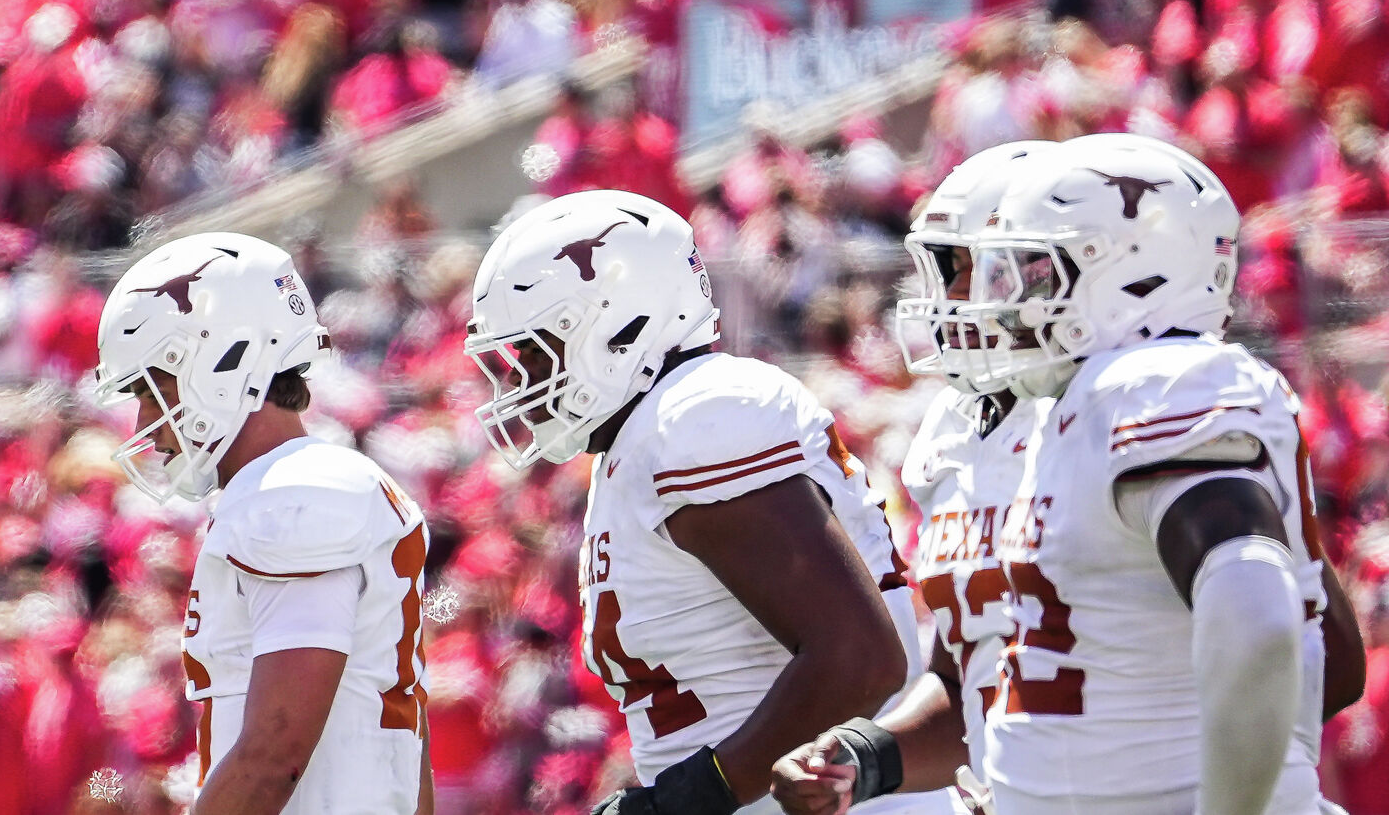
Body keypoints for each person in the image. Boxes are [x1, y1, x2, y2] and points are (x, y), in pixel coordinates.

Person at [774, 134, 1365, 815]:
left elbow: (1300, 643)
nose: (977, 296)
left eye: (1008, 267)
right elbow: (985, 678)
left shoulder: (1156, 389)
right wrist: (870, 758)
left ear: (1126, 273)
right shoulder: (964, 432)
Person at [463, 189, 914, 815]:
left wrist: (684, 801)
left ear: (617, 325)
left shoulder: (696, 418)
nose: (520, 385)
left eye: (536, 354)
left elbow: (859, 660)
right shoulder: (640, 440)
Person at [95, 232, 434, 815]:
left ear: (222, 365)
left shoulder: (292, 494)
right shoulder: (296, 484)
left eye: (155, 388)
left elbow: (276, 749)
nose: (146, 419)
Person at [771, 142, 1061, 814]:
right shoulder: (959, 431)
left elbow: (1309, 659)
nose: (943, 297)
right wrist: (862, 759)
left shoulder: (1145, 415)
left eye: (963, 267)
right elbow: (968, 687)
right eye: (939, 269)